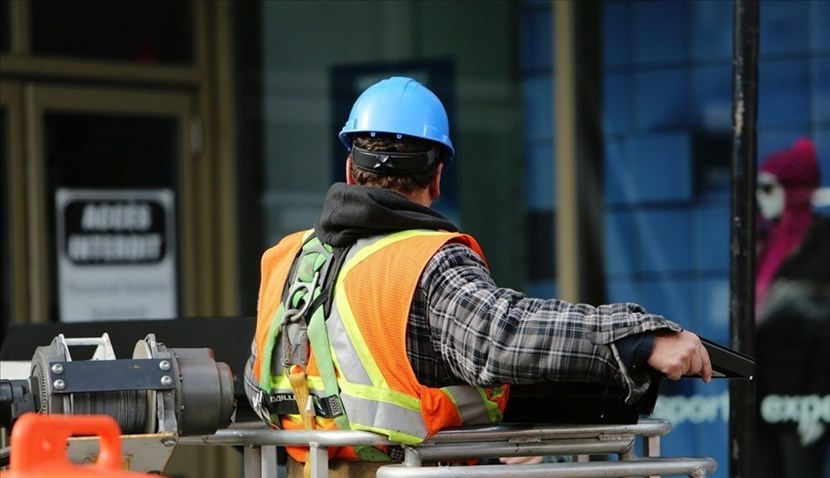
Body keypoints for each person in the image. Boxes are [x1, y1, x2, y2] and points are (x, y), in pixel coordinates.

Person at [244, 76, 712, 478]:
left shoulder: (287, 259)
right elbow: (501, 336)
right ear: (438, 177)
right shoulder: (425, 261)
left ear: (350, 168)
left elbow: (260, 381)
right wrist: (639, 338)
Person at [753, 138, 830, 478]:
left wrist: (820, 401)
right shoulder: (761, 243)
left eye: (768, 189)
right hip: (761, 394)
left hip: (804, 395)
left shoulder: (824, 243)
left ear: (794, 190)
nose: (760, 198)